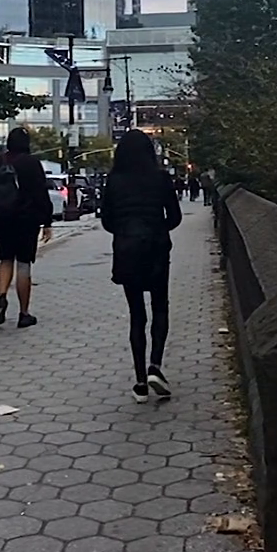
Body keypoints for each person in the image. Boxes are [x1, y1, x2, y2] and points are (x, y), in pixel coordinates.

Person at [100, 130, 183, 401]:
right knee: (160, 307)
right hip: (156, 247)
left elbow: (107, 220)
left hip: (127, 250)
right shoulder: (160, 178)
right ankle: (155, 366)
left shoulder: (114, 180)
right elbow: (175, 216)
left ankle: (139, 382)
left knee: (137, 314)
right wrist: (158, 227)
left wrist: (125, 231)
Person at [0, 127, 54, 327]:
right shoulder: (32, 163)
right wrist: (47, 222)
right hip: (26, 220)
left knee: (5, 260)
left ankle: (2, 296)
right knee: (23, 265)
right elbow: (41, 193)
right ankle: (24, 313)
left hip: (3, 219)